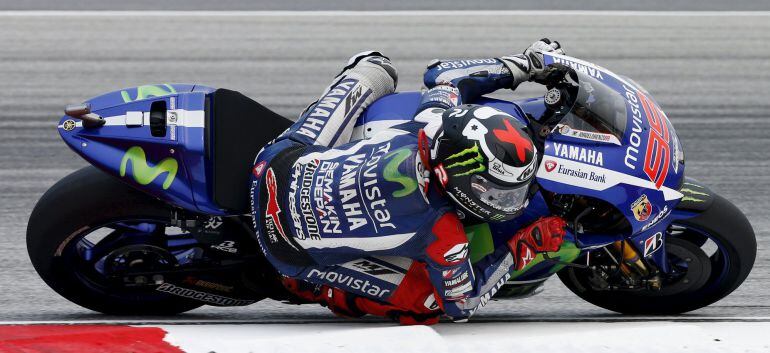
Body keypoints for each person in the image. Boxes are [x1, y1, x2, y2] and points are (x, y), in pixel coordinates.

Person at [249, 39, 569, 324]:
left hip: (275, 164)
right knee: (427, 305)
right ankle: (316, 288)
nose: (505, 200)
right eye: (496, 191)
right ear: (457, 178)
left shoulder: (428, 123)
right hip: (285, 248)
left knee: (376, 66)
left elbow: (441, 76)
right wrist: (522, 249)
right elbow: (460, 305)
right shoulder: (445, 234)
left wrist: (524, 64)